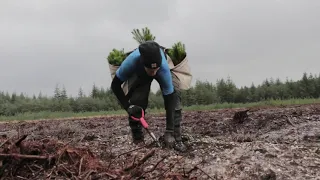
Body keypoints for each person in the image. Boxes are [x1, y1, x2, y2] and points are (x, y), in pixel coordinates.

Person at [111, 41, 187, 152]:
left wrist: (169, 131)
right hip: (140, 74)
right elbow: (115, 85)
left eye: (155, 69)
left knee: (175, 100)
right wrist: (128, 107)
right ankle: (138, 139)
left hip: (162, 71)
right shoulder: (131, 62)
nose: (154, 72)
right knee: (137, 101)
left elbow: (169, 98)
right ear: (143, 63)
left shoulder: (163, 68)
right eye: (151, 70)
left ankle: (175, 137)